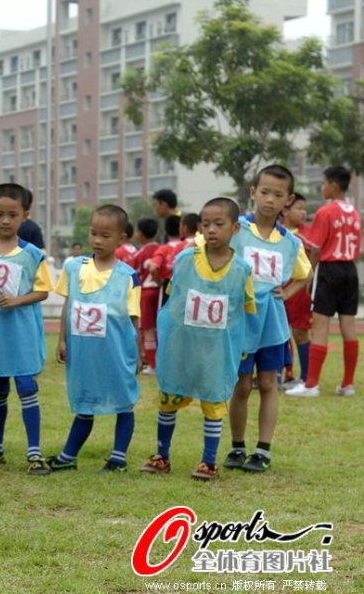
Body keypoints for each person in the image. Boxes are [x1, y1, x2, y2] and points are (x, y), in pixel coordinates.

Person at [139, 197, 255, 481]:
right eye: (206, 224)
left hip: (216, 350)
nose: (211, 229)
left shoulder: (242, 270)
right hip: (182, 346)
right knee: (168, 397)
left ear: (235, 228)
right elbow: (172, 302)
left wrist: (242, 348)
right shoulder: (185, 259)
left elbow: (245, 310)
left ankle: (208, 462)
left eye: (219, 224)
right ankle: (162, 456)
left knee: (214, 402)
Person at [226, 165, 310, 473]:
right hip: (241, 320)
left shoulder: (290, 241)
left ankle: (263, 449)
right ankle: (237, 447)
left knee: (268, 383)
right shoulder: (236, 230)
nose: (270, 200)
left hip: (272, 322)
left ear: (287, 200)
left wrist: (287, 294)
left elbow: (305, 273)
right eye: (264, 192)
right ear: (253, 193)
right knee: (242, 385)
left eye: (277, 195)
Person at [0, 183, 53, 475]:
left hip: (21, 332)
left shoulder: (32, 254)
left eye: (12, 215)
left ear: (25, 216)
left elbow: (42, 291)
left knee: (27, 385)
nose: (5, 220)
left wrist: (18, 300)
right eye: (0, 214)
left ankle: (35, 452)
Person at [52, 205, 140, 473]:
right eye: (93, 234)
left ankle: (118, 458)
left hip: (115, 351)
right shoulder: (75, 267)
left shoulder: (127, 276)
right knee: (84, 401)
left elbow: (133, 318)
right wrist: (62, 340)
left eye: (105, 235)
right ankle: (68, 457)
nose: (97, 240)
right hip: (83, 352)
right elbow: (68, 304)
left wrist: (137, 354)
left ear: (121, 239)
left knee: (123, 401)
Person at [285, 165, 361, 398]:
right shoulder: (355, 213)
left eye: (324, 182)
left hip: (329, 269)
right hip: (350, 269)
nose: (322, 186)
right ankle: (347, 384)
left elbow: (316, 249)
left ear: (334, 185)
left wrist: (309, 275)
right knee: (348, 325)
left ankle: (311, 384)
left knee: (319, 325)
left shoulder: (325, 212)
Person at [279, 193, 313, 389]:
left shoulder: (307, 234)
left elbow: (314, 255)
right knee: (280, 332)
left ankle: (306, 376)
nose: (303, 212)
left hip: (299, 289)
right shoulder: (274, 232)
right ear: (285, 210)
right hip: (277, 288)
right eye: (299, 208)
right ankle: (286, 374)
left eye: (305, 208)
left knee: (300, 331)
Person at [130, 218, 161, 374]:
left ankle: (152, 364)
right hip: (160, 291)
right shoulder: (162, 248)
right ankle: (159, 362)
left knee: (148, 328)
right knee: (159, 328)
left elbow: (133, 275)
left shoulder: (139, 254)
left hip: (146, 292)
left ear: (140, 234)